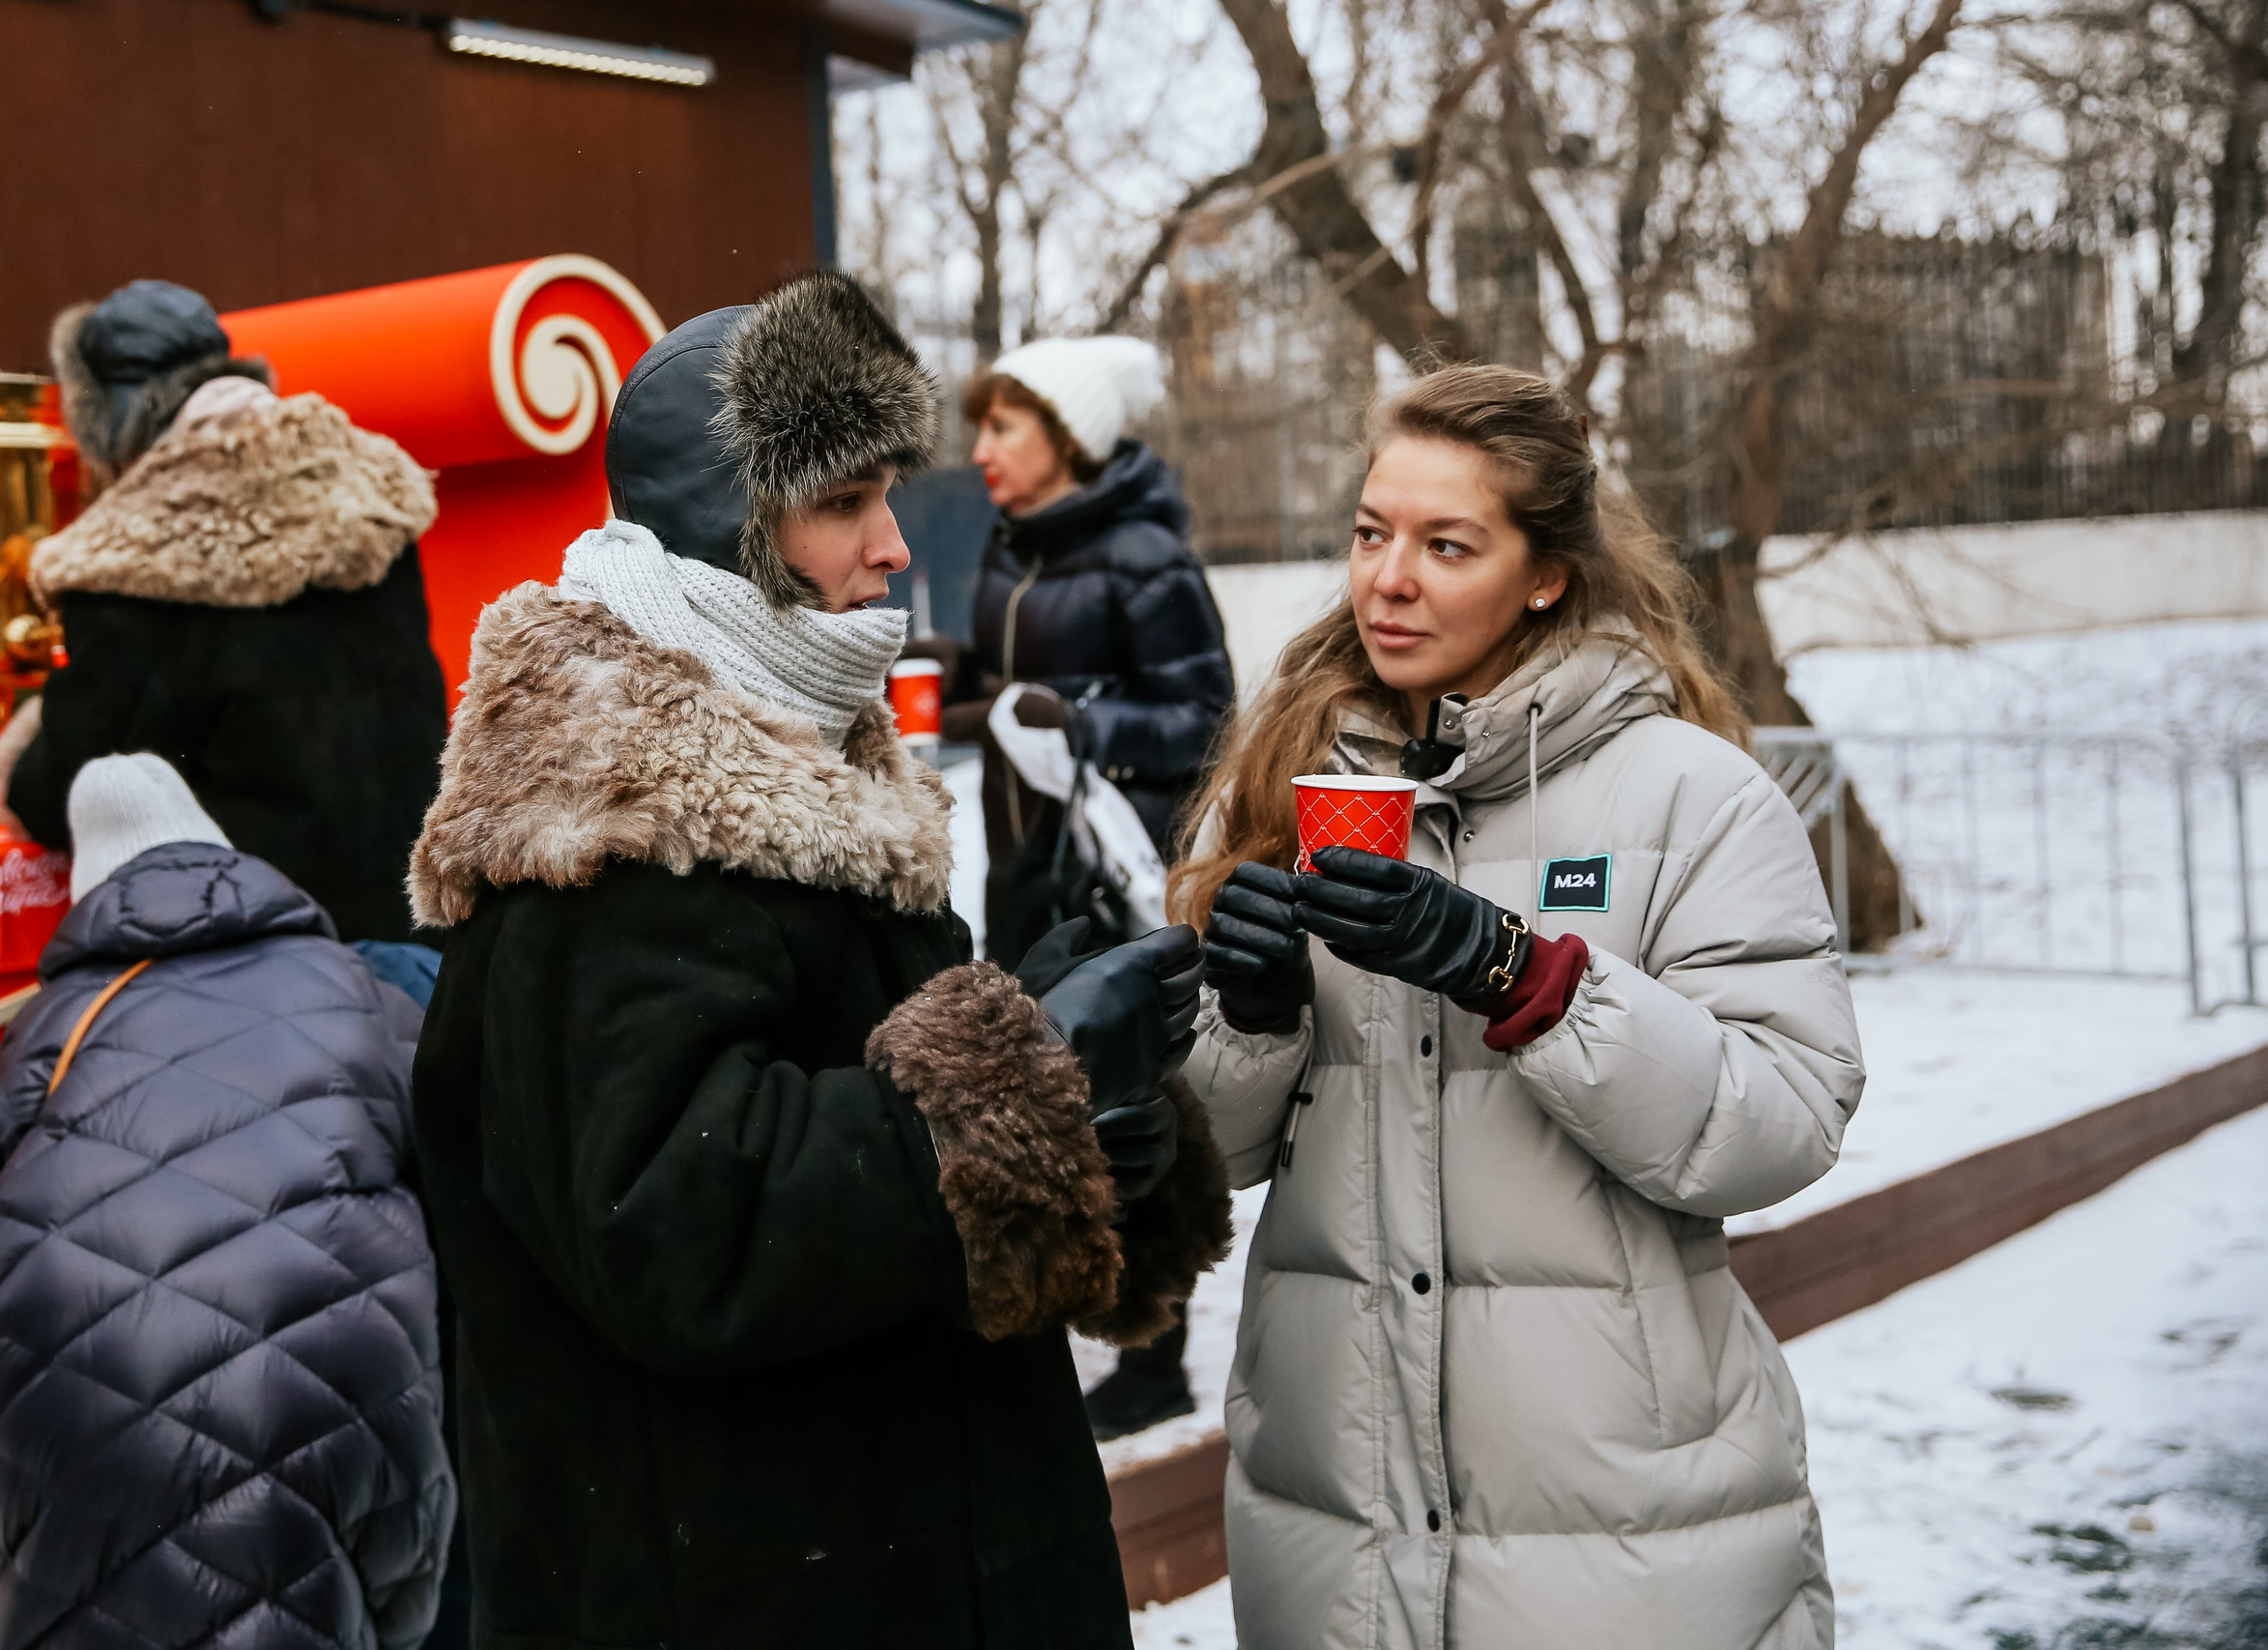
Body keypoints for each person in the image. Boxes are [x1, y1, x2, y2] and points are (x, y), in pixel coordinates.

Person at [406, 271, 1232, 1650]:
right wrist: (1023, 1081)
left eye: (885, 495)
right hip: (749, 1583)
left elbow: (902, 1169)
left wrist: (1096, 1110)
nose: (895, 545)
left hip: (905, 1544)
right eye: (843, 503)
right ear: (733, 529)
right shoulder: (605, 816)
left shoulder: (807, 747)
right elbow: (672, 1217)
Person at [1175, 363, 1865, 1648]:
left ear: (1546, 571)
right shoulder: (1281, 784)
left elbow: (1782, 1122)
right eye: (1373, 532)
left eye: (1448, 544)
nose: (1388, 577)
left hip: (1627, 1536)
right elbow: (1205, 1165)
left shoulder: (1686, 795)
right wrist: (1248, 1017)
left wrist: (1528, 979)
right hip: (1343, 1521)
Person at [0, 753, 455, 1650]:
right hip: (326, 1399)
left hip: (70, 1427)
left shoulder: (48, 1029)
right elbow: (441, 1180)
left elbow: (11, 1199)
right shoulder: (356, 987)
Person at [0, 278, 448, 943]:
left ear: (102, 417)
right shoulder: (365, 485)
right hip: (426, 935)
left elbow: (72, 788)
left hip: (274, 953)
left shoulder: (132, 558)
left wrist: (16, 757)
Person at [944, 336, 1233, 970]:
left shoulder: (1148, 558)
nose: (979, 451)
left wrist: (1082, 727)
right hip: (1017, 870)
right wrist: (956, 674)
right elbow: (1020, 690)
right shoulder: (1012, 546)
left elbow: (1207, 722)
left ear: (1068, 435)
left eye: (1000, 428)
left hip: (1113, 882)